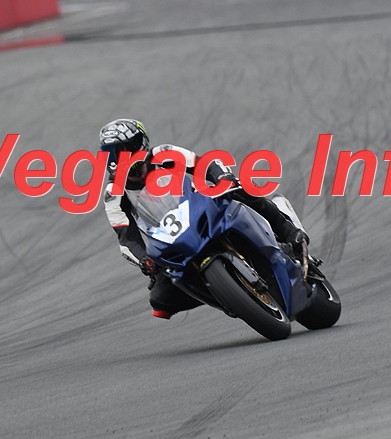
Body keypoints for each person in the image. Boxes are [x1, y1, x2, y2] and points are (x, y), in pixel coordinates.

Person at [99, 118, 310, 320]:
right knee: (160, 300)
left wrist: (222, 178)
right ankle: (228, 299)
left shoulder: (163, 154)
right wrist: (144, 259)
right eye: (111, 153)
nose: (118, 158)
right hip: (166, 236)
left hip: (199, 206)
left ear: (139, 144)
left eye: (123, 150)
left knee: (239, 187)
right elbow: (126, 238)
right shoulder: (113, 192)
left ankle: (287, 230)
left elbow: (205, 164)